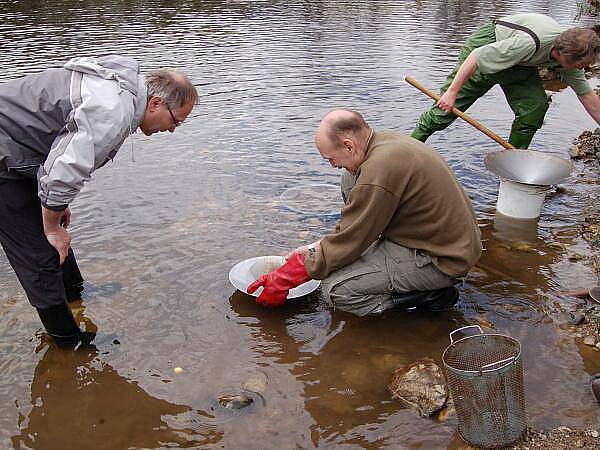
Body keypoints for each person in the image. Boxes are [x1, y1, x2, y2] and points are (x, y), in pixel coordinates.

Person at [0, 55, 198, 348]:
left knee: (56, 233)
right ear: (155, 103)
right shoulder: (112, 111)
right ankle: (69, 343)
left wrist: (53, 206)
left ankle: (77, 296)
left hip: (20, 151)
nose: (171, 130)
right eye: (175, 121)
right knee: (39, 255)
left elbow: (61, 161)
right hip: (5, 159)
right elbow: (63, 174)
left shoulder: (119, 91)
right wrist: (51, 222)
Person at [248, 109, 482, 316]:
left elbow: (352, 239)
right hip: (434, 237)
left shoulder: (378, 173)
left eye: (331, 158)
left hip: (442, 258)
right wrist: (314, 250)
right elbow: (353, 230)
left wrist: (289, 275)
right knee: (349, 177)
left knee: (335, 290)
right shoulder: (383, 143)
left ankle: (429, 296)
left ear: (348, 145)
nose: (332, 165)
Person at [411, 13, 600, 149]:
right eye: (582, 64)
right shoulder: (530, 43)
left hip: (521, 63)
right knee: (446, 110)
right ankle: (411, 144)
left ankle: (513, 161)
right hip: (487, 47)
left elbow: (587, 95)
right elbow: (476, 57)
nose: (583, 69)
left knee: (534, 107)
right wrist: (451, 93)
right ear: (563, 53)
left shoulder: (569, 60)